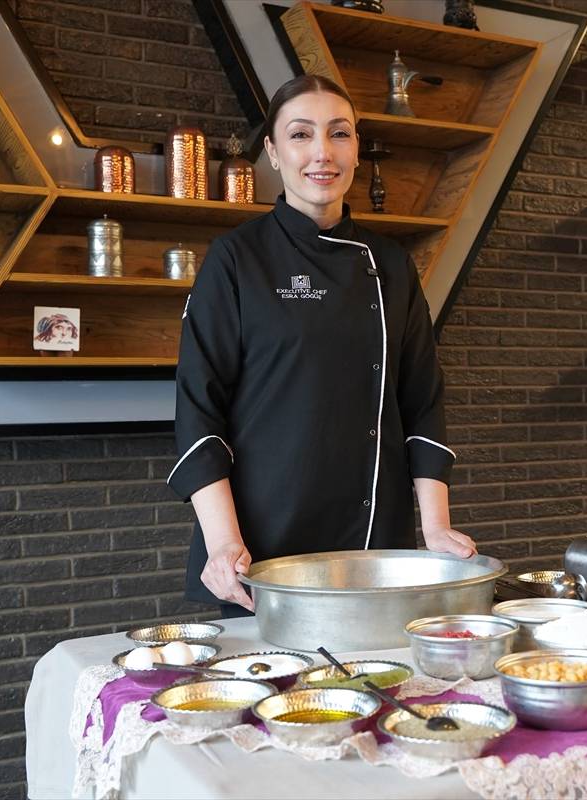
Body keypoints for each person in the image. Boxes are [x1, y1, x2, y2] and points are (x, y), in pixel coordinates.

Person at [167, 75, 477, 617]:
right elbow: (199, 410)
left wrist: (435, 527)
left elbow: (422, 401)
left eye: (339, 134)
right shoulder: (236, 259)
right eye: (301, 134)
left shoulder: (392, 266)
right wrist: (223, 542)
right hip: (261, 548)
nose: (322, 153)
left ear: (356, 149)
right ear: (273, 151)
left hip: (376, 544)